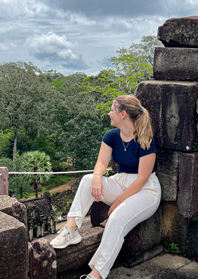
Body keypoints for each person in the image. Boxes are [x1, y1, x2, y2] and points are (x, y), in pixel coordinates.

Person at [50, 95, 161, 279]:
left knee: (116, 219)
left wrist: (118, 201)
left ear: (123, 114)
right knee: (86, 180)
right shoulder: (111, 135)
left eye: (112, 109)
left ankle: (96, 274)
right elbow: (102, 162)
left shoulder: (144, 138)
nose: (109, 113)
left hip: (145, 191)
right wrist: (96, 177)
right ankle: (71, 230)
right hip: (120, 181)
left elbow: (142, 178)